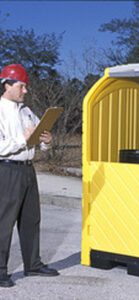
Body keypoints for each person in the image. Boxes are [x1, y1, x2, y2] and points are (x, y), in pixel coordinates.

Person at [0, 64, 59, 288]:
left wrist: (46, 141)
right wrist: (23, 140)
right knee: (3, 222)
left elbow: (36, 136)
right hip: (6, 170)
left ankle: (33, 264)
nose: (25, 91)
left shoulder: (26, 110)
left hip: (27, 169)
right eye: (21, 86)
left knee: (31, 219)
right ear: (7, 85)